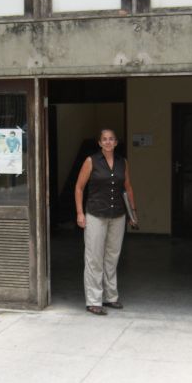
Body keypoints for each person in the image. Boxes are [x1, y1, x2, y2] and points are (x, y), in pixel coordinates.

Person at [75, 129, 137, 315]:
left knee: (112, 257)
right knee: (94, 258)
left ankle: (110, 297)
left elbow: (128, 187)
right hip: (96, 214)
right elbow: (79, 188)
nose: (108, 142)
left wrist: (133, 213)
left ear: (116, 143)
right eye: (105, 139)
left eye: (111, 139)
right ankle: (93, 300)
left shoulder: (122, 162)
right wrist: (80, 213)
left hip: (117, 215)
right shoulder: (91, 161)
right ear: (100, 143)